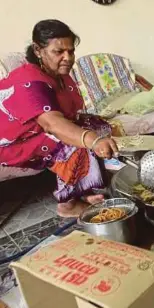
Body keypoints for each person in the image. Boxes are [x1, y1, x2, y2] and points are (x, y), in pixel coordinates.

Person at [0, 20, 119, 217]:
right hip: (12, 142)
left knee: (97, 126)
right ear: (38, 50)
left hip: (37, 130)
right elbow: (52, 124)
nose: (68, 58)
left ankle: (84, 190)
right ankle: (68, 205)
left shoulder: (59, 74)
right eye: (59, 52)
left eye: (71, 51)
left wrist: (93, 132)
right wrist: (93, 140)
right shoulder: (29, 81)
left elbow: (70, 113)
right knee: (72, 141)